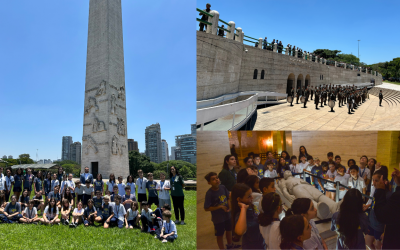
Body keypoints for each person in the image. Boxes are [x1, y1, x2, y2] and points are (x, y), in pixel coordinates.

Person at [204, 172, 238, 250]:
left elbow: (228, 198)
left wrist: (230, 207)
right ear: (209, 183)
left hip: (227, 215)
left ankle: (230, 245)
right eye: (213, 179)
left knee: (229, 230)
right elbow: (206, 208)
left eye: (217, 178)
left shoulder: (223, 187)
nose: (216, 180)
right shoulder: (209, 193)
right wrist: (219, 207)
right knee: (220, 234)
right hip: (218, 219)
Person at [373, 166, 400, 249]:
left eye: (376, 180)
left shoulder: (391, 195)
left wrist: (381, 190)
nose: (374, 183)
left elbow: (382, 215)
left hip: (394, 237)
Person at [231, 183, 265, 249]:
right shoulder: (240, 213)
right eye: (249, 196)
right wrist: (243, 208)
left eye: (251, 195)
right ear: (239, 199)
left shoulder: (251, 206)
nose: (252, 198)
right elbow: (240, 231)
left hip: (260, 243)